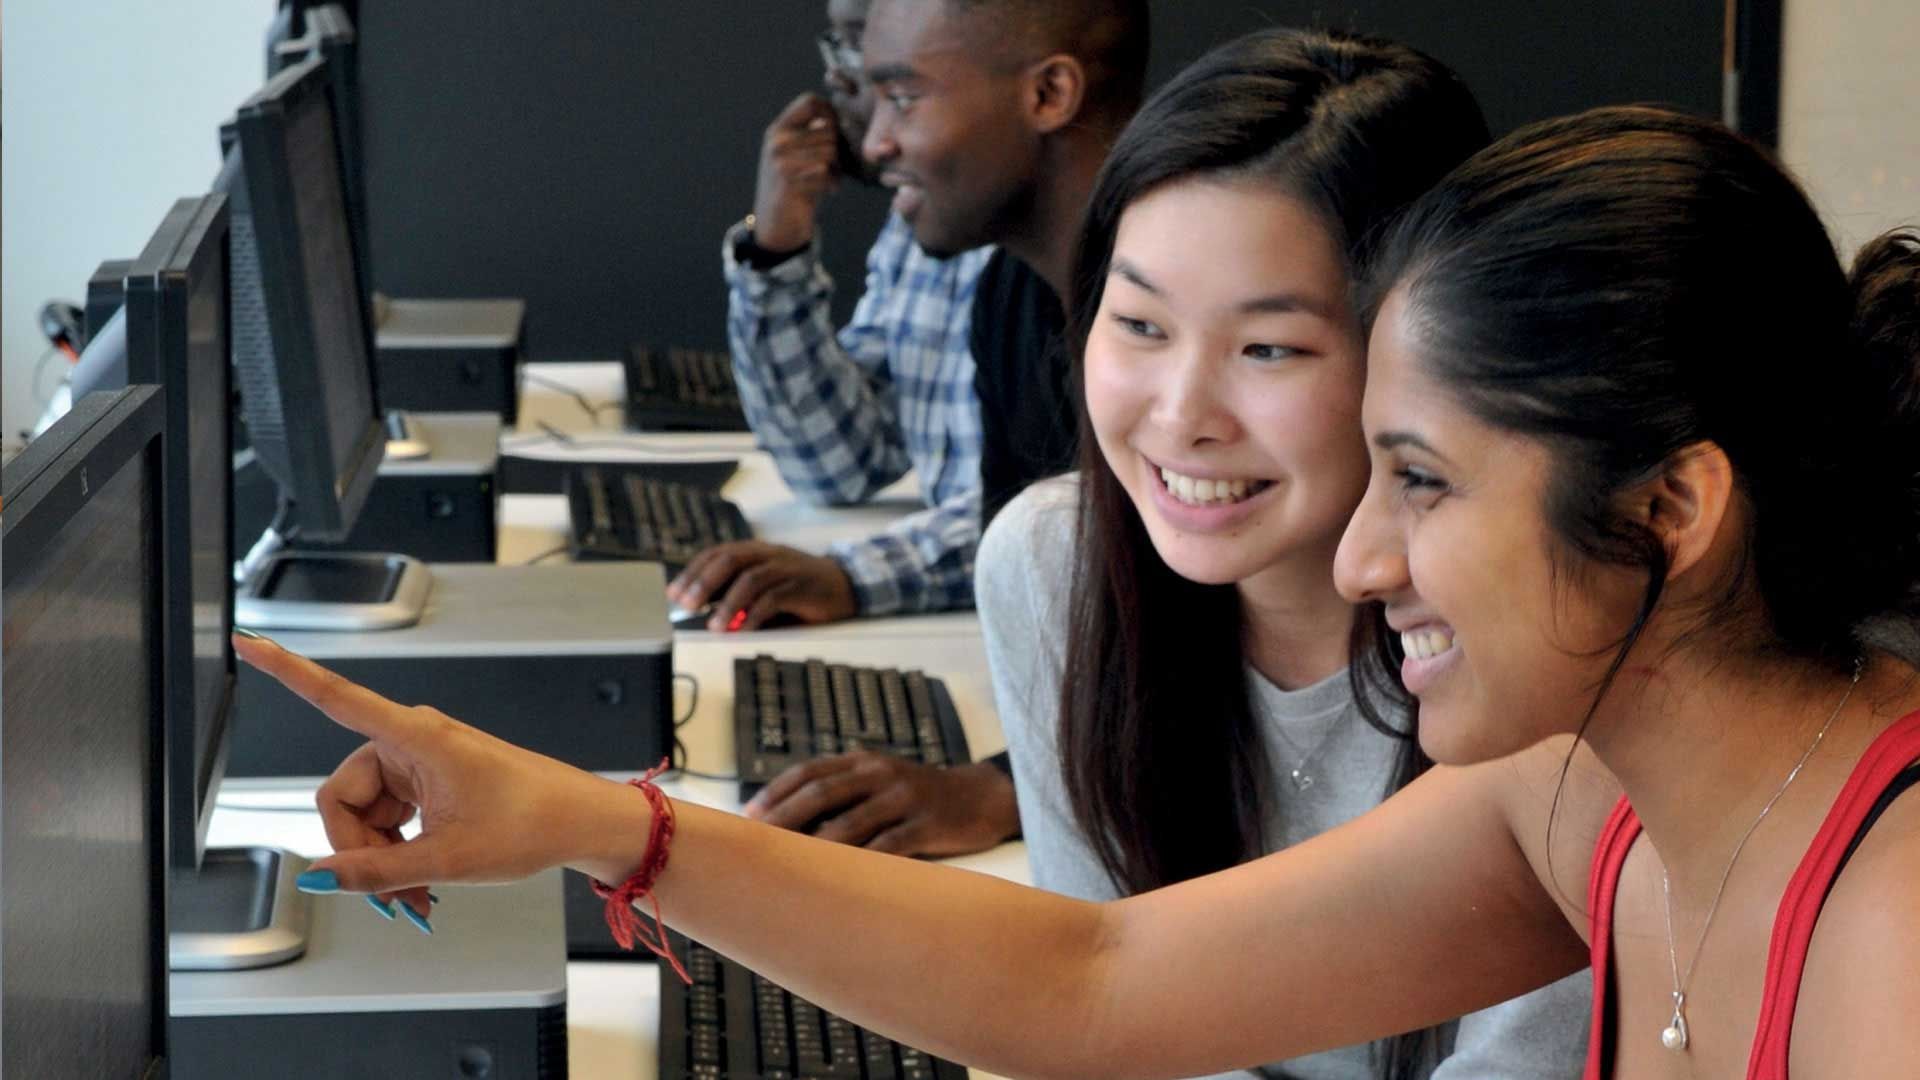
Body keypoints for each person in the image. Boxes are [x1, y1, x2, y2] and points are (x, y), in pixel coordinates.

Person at [238, 104, 1920, 1077]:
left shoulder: (1895, 926)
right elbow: (1092, 987)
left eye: (1420, 478)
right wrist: (597, 824)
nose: (1360, 558)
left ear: (1672, 510)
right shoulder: (1578, 803)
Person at [978, 29, 1588, 1078]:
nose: (1182, 415)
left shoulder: (1545, 638)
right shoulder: (1052, 566)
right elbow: (1101, 1019)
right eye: (1139, 323)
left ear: (1425, 354)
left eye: (1270, 348)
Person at [675, 0, 1152, 859]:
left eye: (903, 95)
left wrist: (1005, 787)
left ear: (1048, 93)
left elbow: (1223, 648)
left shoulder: (1176, 321)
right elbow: (1059, 578)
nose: (877, 140)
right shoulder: (1013, 294)